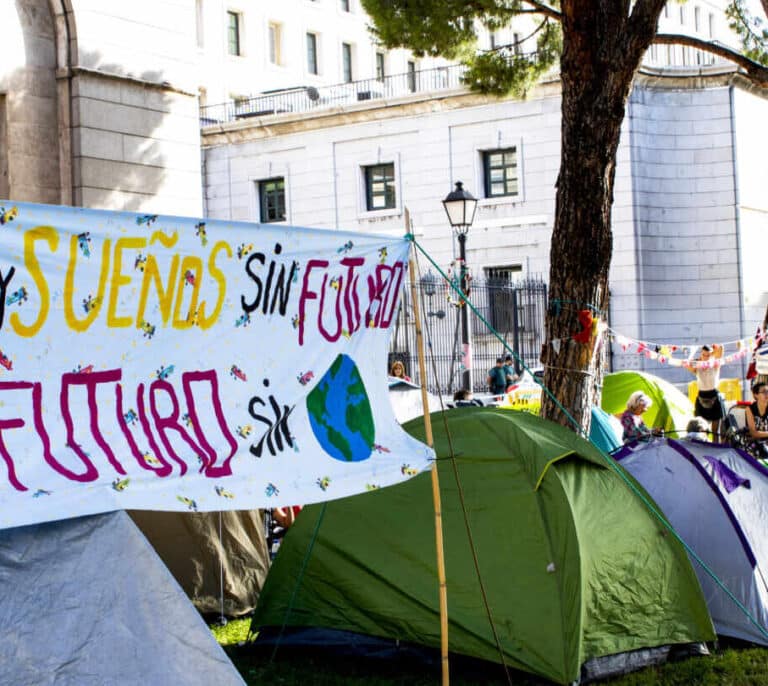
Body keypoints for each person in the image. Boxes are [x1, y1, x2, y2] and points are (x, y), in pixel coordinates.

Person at [685, 344, 726, 441]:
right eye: (704, 355)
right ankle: (703, 447)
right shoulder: (697, 365)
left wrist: (711, 354)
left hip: (714, 395)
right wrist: (694, 352)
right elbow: (687, 365)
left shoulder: (715, 363)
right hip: (702, 396)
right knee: (700, 427)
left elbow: (721, 348)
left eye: (708, 355)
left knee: (715, 430)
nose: (706, 357)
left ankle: (715, 448)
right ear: (701, 355)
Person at [745, 381, 768, 459]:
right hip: (755, 443)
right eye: (764, 392)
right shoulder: (750, 409)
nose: (767, 394)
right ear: (756, 395)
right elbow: (753, 433)